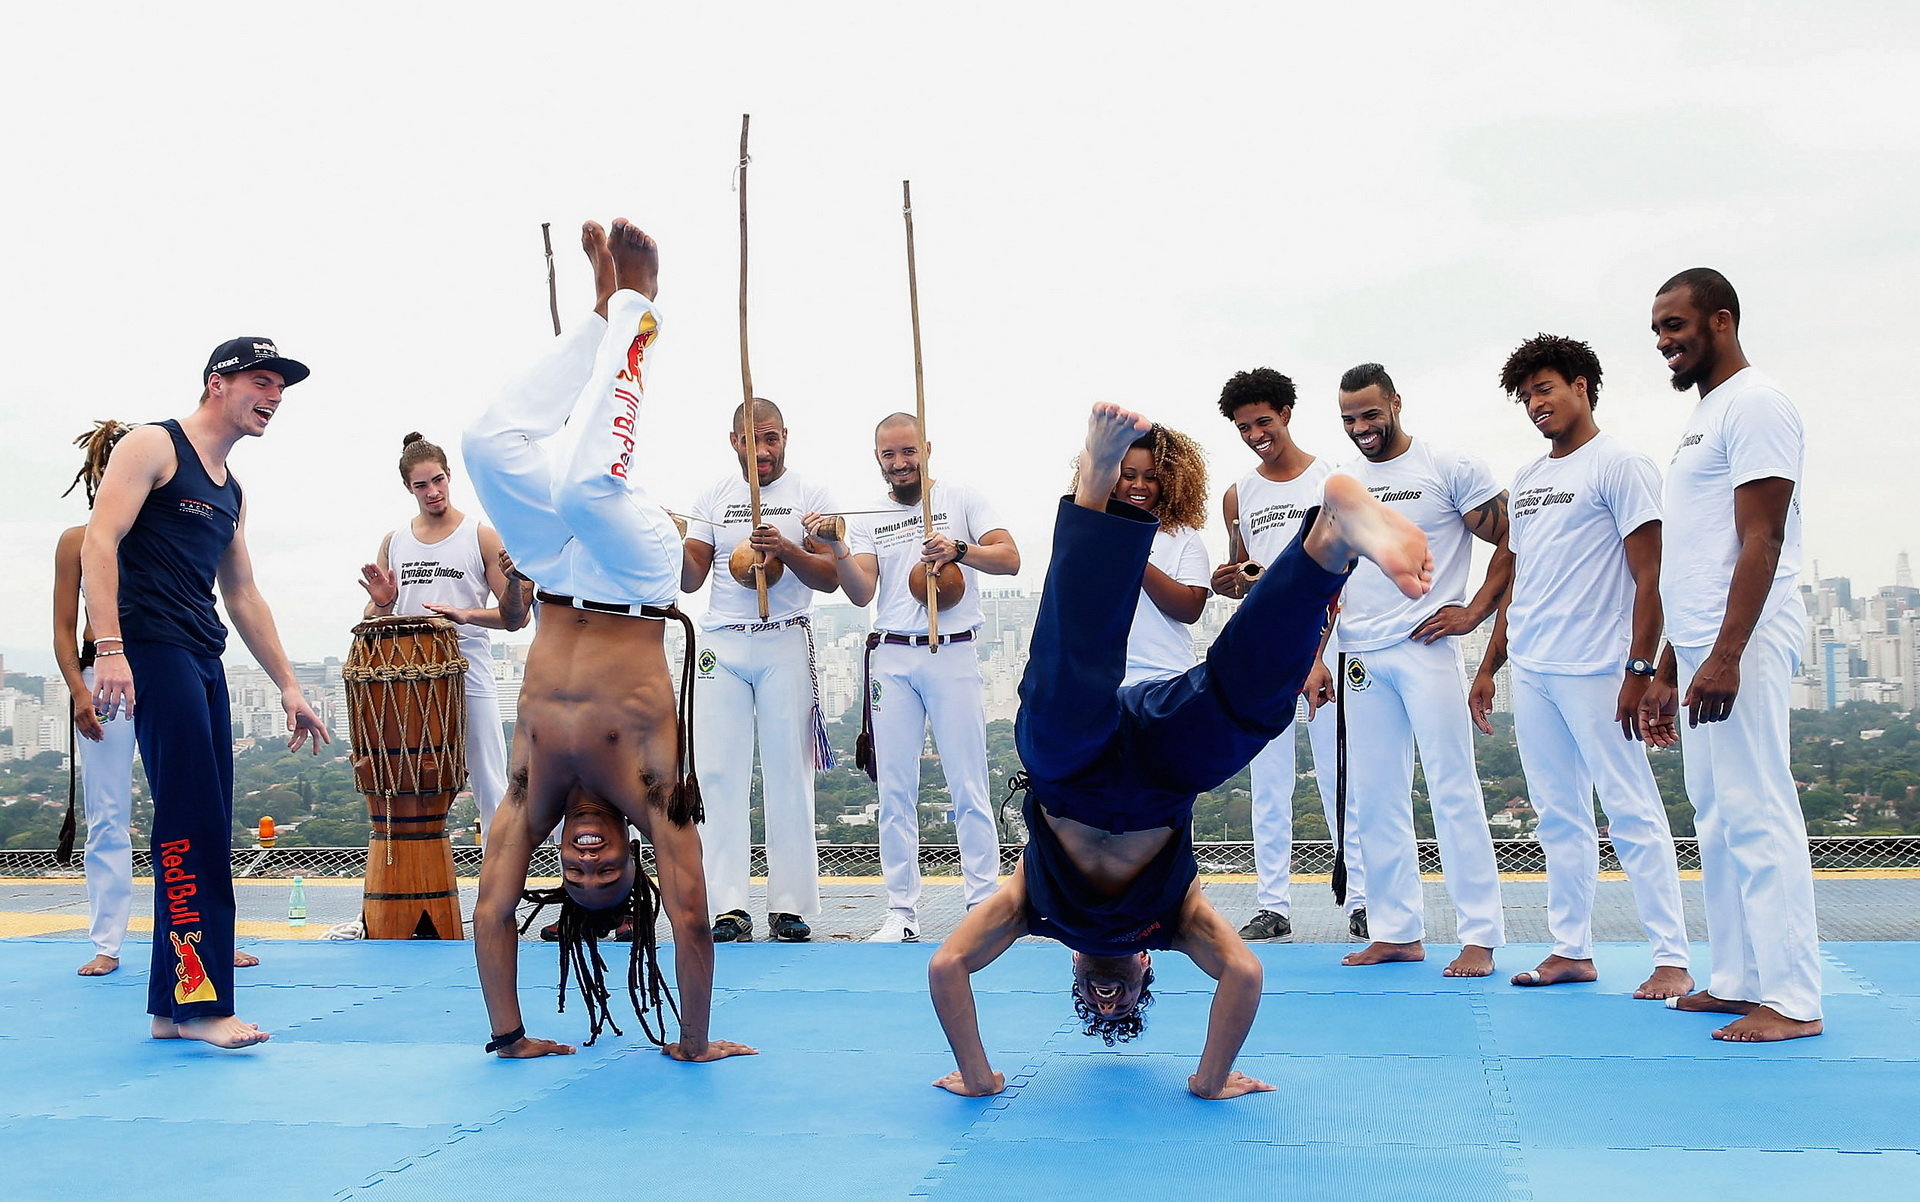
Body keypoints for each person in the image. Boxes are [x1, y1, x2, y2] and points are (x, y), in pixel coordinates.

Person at [927, 404, 1431, 1100]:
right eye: (1123, 1004)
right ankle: (1326, 543)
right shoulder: (1177, 922)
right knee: (1246, 702)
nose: (1107, 997)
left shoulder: (1030, 909)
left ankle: (1092, 484)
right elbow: (1246, 974)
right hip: (1165, 769)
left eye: (1094, 1001)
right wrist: (1209, 1079)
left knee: (1065, 668)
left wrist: (979, 1079)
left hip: (1069, 768)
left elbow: (947, 966)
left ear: (1074, 965)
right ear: (1146, 967)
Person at [462, 217, 751, 1064]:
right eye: (607, 874)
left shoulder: (530, 791)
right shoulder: (653, 792)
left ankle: (598, 318)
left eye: (576, 876)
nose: (587, 863)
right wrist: (694, 1041)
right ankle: (638, 309)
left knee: (488, 444)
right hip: (634, 581)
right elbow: (692, 919)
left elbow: (488, 911)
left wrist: (507, 1035)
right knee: (588, 484)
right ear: (631, 862)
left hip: (552, 571)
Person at [84, 340, 330, 1049]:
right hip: (150, 650)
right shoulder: (153, 446)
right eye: (261, 382)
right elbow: (102, 540)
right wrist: (111, 647)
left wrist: (289, 684)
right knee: (189, 823)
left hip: (202, 656)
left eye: (280, 387)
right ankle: (200, 1007)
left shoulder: (231, 488)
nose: (274, 397)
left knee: (206, 824)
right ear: (216, 384)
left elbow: (243, 591)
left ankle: (172, 1008)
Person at [1469, 334, 1692, 1000]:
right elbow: (1519, 580)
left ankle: (1673, 956)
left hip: (1600, 669)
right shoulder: (1531, 480)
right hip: (1533, 669)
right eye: (1526, 395)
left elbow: (1652, 577)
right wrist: (1489, 666)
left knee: (1631, 811)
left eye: (1546, 389)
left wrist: (1641, 667)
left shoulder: (1621, 465)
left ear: (1581, 387)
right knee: (1556, 816)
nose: (1536, 404)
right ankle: (1571, 950)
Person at [1638, 268, 1821, 1042]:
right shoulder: (1705, 417)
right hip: (1706, 645)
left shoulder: (1757, 404)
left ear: (1719, 320)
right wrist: (1672, 665)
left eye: (1675, 326)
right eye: (1657, 331)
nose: (1664, 343)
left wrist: (1727, 653)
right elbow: (1696, 558)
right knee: (1716, 815)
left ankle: (1794, 998)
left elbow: (1762, 538)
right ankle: (1738, 978)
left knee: (1759, 810)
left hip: (1743, 641)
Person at [807, 414, 1020, 942]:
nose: (900, 463)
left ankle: (983, 905)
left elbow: (1011, 559)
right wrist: (835, 547)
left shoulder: (963, 497)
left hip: (953, 652)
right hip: (894, 656)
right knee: (895, 788)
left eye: (908, 452)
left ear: (926, 448)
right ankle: (901, 911)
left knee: (968, 780)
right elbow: (859, 593)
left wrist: (959, 550)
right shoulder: (870, 515)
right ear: (877, 458)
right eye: (888, 455)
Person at [1333, 363, 1509, 977]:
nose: (1361, 427)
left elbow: (1516, 539)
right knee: (1376, 799)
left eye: (1370, 414)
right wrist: (1315, 657)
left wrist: (1475, 612)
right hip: (1360, 655)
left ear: (1395, 404)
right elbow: (1331, 577)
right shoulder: (1345, 485)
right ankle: (1397, 930)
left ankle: (1481, 935)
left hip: (1427, 648)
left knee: (1452, 788)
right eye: (1350, 418)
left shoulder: (1449, 468)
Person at [1210, 368, 1366, 943]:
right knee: (1269, 783)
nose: (1255, 435)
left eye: (1264, 422)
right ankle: (1272, 902)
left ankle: (1360, 899)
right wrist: (1229, 580)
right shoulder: (1238, 493)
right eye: (1244, 427)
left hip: (1325, 651)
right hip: (1264, 653)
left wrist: (1317, 656)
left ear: (1287, 415)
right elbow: (1244, 572)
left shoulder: (1333, 480)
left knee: (1336, 775)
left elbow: (1345, 576)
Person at [681, 398, 838, 944]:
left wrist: (788, 548)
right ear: (734, 442)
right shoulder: (714, 497)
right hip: (720, 645)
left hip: (785, 637)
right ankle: (726, 904)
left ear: (785, 437)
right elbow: (691, 579)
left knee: (787, 772)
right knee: (720, 775)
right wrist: (665, 537)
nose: (763, 450)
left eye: (771, 438)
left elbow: (830, 579)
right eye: (752, 440)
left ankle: (790, 905)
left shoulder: (809, 496)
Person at [357, 432, 531, 844]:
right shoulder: (395, 541)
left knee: (490, 783)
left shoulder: (480, 535)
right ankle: (408, 881)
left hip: (467, 668)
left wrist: (470, 611)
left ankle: (496, 889)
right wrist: (382, 602)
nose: (432, 492)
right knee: (405, 782)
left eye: (438, 480)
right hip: (408, 677)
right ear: (408, 488)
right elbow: (372, 615)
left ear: (449, 475)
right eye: (421, 485)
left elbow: (515, 619)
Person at [1080, 422, 1211, 686]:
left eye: (1151, 477)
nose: (1139, 485)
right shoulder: (1091, 533)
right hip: (1101, 680)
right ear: (1112, 478)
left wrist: (1133, 555)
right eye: (1129, 475)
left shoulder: (1183, 537)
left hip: (1166, 677)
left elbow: (1190, 609)